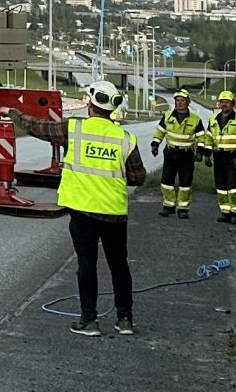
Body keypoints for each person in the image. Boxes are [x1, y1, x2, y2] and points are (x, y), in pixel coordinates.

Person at [13, 79, 148, 336]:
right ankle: (125, 320)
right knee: (119, 265)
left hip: (83, 210)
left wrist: (13, 114)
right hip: (114, 211)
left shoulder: (74, 128)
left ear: (90, 106)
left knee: (87, 264)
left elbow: (39, 127)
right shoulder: (125, 138)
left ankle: (89, 320)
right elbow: (138, 177)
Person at [156, 89, 206, 220]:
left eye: (182, 101)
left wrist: (200, 152)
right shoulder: (167, 116)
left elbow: (201, 138)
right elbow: (160, 132)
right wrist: (155, 144)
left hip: (186, 155)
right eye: (177, 101)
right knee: (166, 181)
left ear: (188, 102)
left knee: (185, 183)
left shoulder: (195, 119)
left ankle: (183, 209)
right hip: (170, 153)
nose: (179, 103)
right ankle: (168, 206)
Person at [207, 90, 236, 224]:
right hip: (219, 156)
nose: (224, 105)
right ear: (219, 104)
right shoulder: (213, 120)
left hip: (233, 157)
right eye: (222, 102)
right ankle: (225, 213)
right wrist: (206, 155)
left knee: (233, 186)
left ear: (233, 104)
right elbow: (208, 139)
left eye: (227, 102)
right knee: (221, 186)